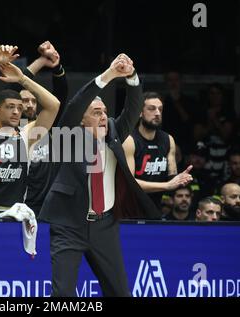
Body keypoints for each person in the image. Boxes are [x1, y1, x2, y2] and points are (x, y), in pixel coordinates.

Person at [39, 54, 160, 297]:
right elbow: (74, 106)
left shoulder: (114, 132)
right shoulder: (69, 138)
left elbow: (133, 109)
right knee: (63, 295)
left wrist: (131, 77)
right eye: (96, 112)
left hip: (105, 224)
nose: (103, 116)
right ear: (81, 121)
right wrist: (108, 75)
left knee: (119, 292)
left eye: (104, 111)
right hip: (69, 223)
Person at [0, 45, 60, 216]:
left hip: (13, 214)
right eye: (10, 107)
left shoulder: (27, 136)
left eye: (19, 108)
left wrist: (22, 78)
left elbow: (53, 105)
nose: (16, 112)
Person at [17, 41, 69, 215]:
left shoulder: (46, 125)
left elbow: (61, 94)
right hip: (17, 202)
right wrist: (41, 61)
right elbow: (15, 84)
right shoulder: (8, 127)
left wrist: (56, 67)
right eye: (25, 101)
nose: (30, 105)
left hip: (45, 205)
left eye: (34, 101)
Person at [123, 92, 193, 211]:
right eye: (151, 109)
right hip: (130, 209)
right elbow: (129, 183)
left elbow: (171, 179)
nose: (157, 113)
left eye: (160, 109)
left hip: (155, 208)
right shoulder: (129, 140)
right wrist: (166, 186)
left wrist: (180, 180)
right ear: (140, 112)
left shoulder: (168, 139)